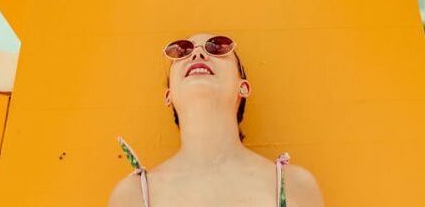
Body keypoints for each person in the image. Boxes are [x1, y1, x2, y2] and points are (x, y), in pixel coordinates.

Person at [108, 33, 324, 206]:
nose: (198, 54)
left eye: (217, 47)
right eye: (182, 50)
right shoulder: (132, 196)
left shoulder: (295, 184)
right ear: (168, 95)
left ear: (243, 87)